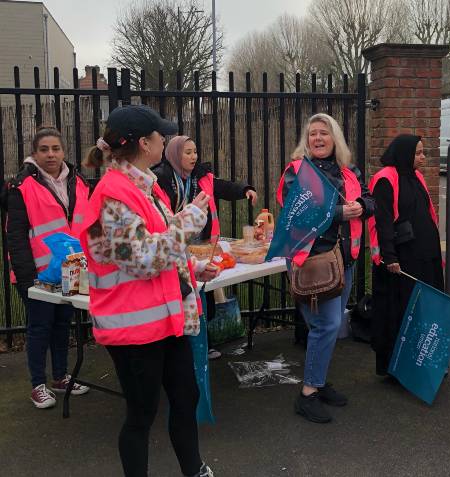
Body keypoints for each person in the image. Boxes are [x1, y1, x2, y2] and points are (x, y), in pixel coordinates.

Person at [80, 105, 218, 477]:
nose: (166, 140)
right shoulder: (114, 195)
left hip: (163, 319)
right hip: (134, 329)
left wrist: (193, 266)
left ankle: (195, 469)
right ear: (145, 143)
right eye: (161, 136)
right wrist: (189, 222)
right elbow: (141, 259)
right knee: (141, 415)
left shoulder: (144, 184)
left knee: (186, 398)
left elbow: (157, 242)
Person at [277, 113, 375, 423]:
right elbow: (300, 211)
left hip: (343, 259)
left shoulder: (350, 171)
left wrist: (363, 207)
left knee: (326, 327)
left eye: (324, 133)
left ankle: (317, 383)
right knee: (326, 326)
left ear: (335, 139)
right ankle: (308, 393)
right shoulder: (296, 171)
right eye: (312, 134)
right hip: (311, 261)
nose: (318, 138)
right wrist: (340, 213)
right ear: (305, 141)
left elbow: (371, 198)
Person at [3, 127, 91, 409]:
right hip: (38, 273)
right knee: (40, 326)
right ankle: (37, 384)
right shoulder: (22, 186)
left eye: (55, 148)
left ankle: (61, 376)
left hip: (71, 268)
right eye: (44, 149)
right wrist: (27, 278)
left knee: (63, 324)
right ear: (34, 153)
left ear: (63, 151)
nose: (51, 154)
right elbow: (15, 236)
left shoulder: (78, 182)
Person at [152, 135, 258, 360]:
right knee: (183, 295)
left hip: (202, 244)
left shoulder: (202, 176)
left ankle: (204, 342)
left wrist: (244, 190)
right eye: (187, 152)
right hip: (174, 245)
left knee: (205, 295)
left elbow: (223, 187)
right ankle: (183, 345)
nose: (193, 157)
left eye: (195, 152)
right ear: (174, 154)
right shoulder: (160, 178)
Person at [368, 134, 443, 379]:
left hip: (425, 256)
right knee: (401, 312)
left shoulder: (416, 176)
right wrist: (389, 257)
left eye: (423, 152)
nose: (423, 157)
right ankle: (398, 368)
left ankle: (421, 361)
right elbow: (383, 221)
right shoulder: (385, 179)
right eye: (418, 152)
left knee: (424, 310)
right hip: (402, 260)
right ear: (404, 153)